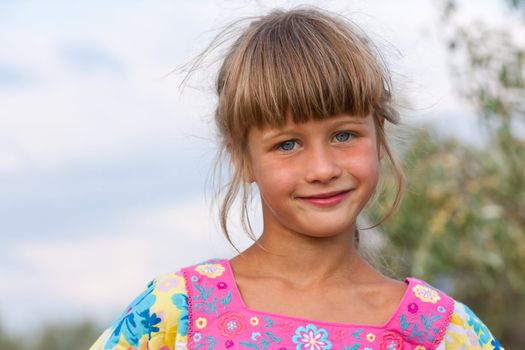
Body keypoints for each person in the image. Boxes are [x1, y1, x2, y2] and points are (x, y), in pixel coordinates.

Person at [91, 7, 502, 350]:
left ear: (378, 136)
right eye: (287, 144)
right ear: (242, 158)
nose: (322, 169)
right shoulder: (174, 315)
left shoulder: (442, 332)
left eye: (344, 135)